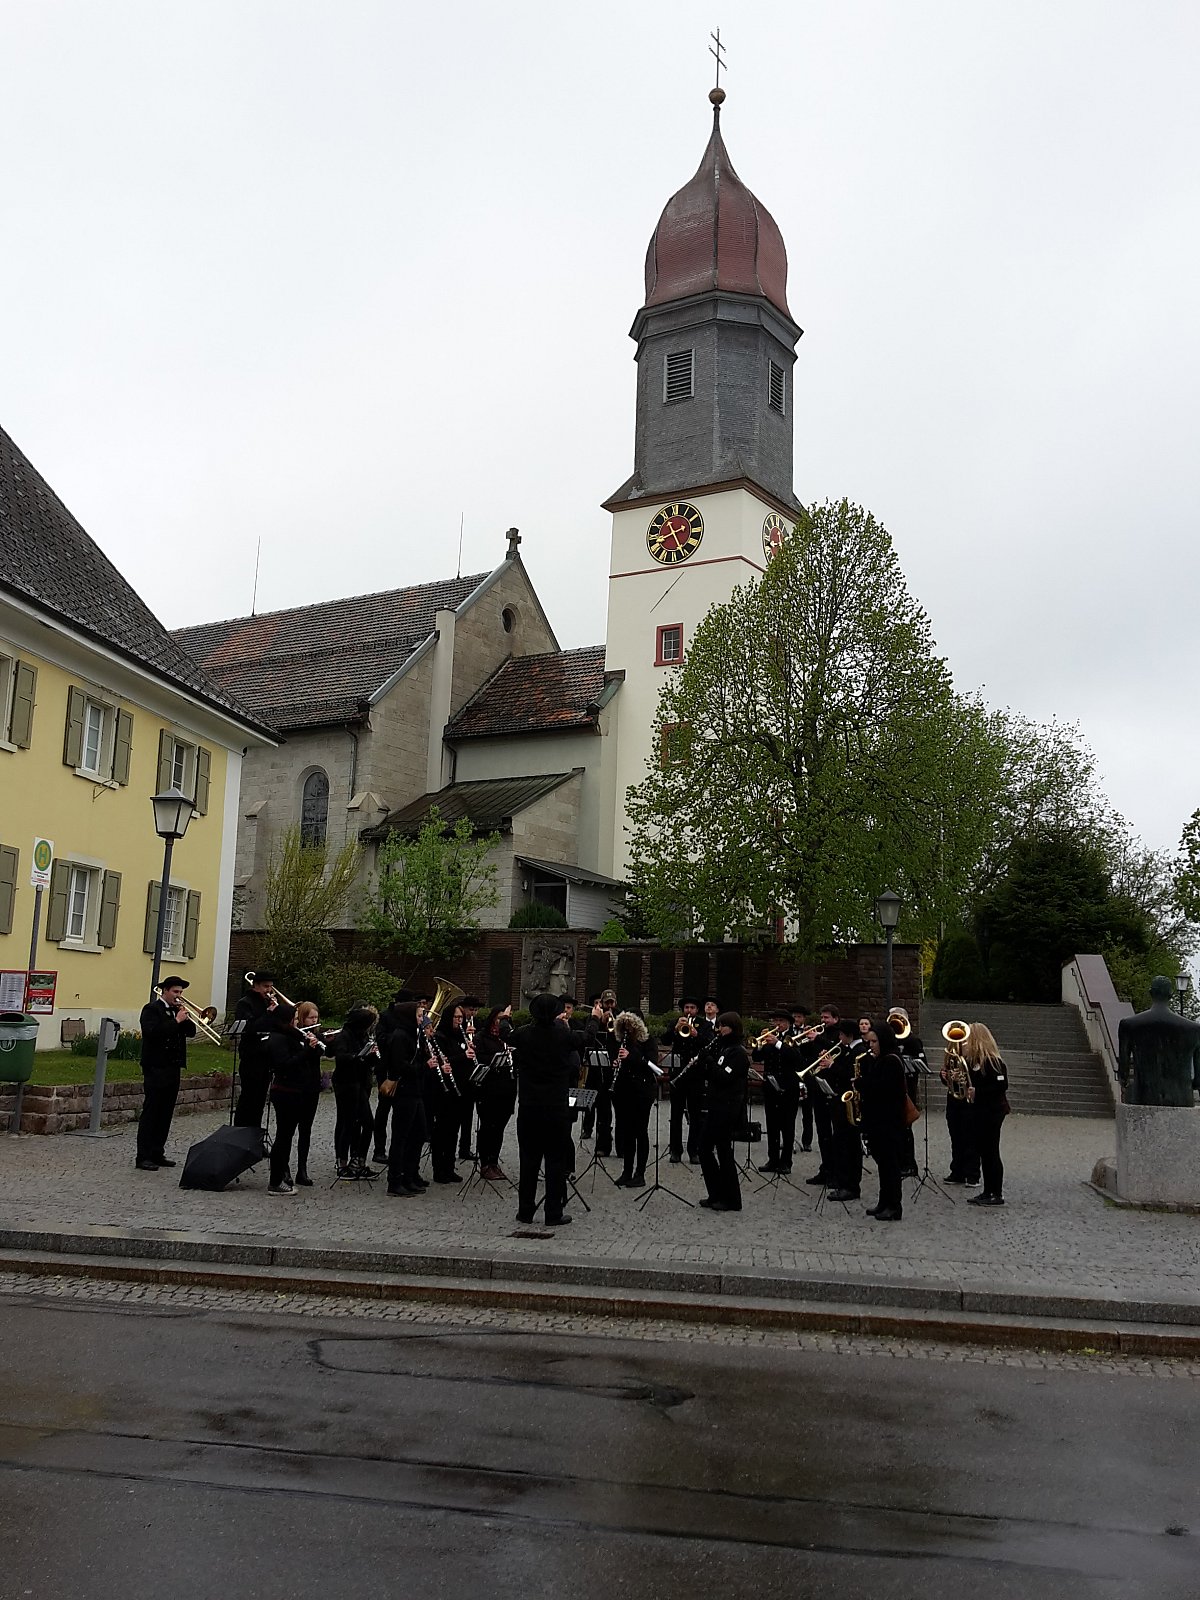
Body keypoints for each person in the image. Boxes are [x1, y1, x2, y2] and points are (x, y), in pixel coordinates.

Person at [512, 992, 590, 1226]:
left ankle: (525, 1211)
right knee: (555, 1162)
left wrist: (505, 1018)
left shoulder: (524, 1034)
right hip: (556, 1108)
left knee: (528, 1161)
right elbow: (586, 1037)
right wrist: (595, 1018)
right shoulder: (563, 1035)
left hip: (529, 1108)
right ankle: (553, 1213)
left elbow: (508, 1034)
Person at [135, 976, 195, 1170]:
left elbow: (191, 1032)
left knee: (166, 1112)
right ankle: (143, 1156)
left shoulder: (177, 1010)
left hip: (173, 1067)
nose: (179, 996)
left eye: (181, 992)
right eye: (175, 992)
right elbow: (152, 1032)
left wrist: (185, 1018)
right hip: (155, 1066)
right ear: (165, 991)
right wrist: (176, 1021)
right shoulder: (151, 1009)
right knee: (152, 1111)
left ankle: (157, 1152)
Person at [265, 1003, 325, 1195]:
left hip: (296, 1091)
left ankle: (283, 1177)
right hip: (285, 1092)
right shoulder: (278, 1039)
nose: (297, 1022)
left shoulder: (290, 1036)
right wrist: (306, 1050)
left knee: (287, 1135)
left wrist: (312, 1046)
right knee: (283, 1137)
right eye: (295, 1019)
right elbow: (285, 1065)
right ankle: (276, 1181)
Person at [697, 1011, 749, 1212]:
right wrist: (702, 1062)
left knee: (724, 1151)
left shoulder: (738, 1053)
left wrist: (710, 1061)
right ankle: (716, 1193)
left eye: (722, 1026)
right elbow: (712, 1075)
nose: (718, 1030)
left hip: (727, 1107)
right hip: (716, 1104)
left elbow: (725, 1078)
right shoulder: (723, 1048)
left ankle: (731, 1199)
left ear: (732, 1028)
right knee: (704, 1147)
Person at [859, 1018, 908, 1221]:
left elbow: (882, 1090)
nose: (871, 1046)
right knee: (883, 1164)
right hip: (879, 1120)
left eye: (874, 1042)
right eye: (869, 1042)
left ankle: (894, 1205)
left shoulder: (891, 1061)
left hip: (889, 1121)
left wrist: (862, 1084)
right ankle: (883, 1201)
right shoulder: (881, 1059)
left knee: (890, 1165)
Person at [233, 970, 291, 1128]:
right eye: (266, 986)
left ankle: (256, 1133)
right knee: (248, 1098)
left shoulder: (268, 1003)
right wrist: (268, 1014)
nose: (269, 990)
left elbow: (279, 1024)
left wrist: (279, 1011)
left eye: (271, 986)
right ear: (256, 986)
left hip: (267, 1056)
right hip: (251, 1056)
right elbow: (250, 1028)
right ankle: (241, 1132)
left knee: (260, 1100)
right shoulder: (245, 1003)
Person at [964, 1022, 1010, 1207]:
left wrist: (978, 1092)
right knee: (984, 1152)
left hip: (992, 1111)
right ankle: (987, 1190)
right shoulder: (973, 1062)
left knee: (991, 1152)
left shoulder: (993, 1062)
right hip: (980, 1110)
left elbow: (1001, 1085)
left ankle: (996, 1192)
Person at [753, 1005, 803, 1174]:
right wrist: (759, 1045)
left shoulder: (794, 1037)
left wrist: (778, 1044)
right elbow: (757, 1057)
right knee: (772, 1124)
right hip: (771, 1087)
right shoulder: (768, 1038)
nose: (777, 1024)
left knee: (787, 1125)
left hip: (789, 1087)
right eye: (775, 1021)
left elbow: (797, 1059)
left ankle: (786, 1161)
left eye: (780, 1021)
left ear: (788, 1023)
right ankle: (772, 1159)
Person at [331, 1004, 379, 1178]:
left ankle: (359, 1160)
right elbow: (340, 1057)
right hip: (346, 1084)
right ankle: (342, 1162)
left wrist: (372, 1056)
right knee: (348, 1123)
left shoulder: (364, 1036)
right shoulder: (344, 1036)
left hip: (360, 1083)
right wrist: (358, 1056)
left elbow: (368, 1061)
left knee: (368, 1123)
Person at [612, 1011, 657, 1188]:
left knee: (640, 1131)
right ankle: (627, 1171)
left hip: (642, 1091)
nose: (626, 1029)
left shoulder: (648, 1041)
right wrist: (617, 1062)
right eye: (623, 1026)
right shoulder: (623, 1041)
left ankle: (640, 1174)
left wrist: (631, 1056)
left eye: (629, 1025)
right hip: (624, 1090)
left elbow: (651, 1064)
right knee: (627, 1132)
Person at [372, 987, 417, 1161]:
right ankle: (379, 1149)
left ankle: (400, 1150)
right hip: (386, 1067)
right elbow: (381, 1039)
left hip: (405, 1071)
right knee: (383, 1109)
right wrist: (398, 1038)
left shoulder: (412, 1020)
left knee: (402, 1113)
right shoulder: (386, 1016)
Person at [825, 1018, 867, 1202]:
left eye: (841, 1034)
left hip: (849, 1104)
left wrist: (832, 1065)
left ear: (849, 1035)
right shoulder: (848, 1050)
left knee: (849, 1146)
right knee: (841, 1143)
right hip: (840, 1102)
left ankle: (850, 1185)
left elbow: (850, 1075)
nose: (839, 1038)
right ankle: (843, 1182)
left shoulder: (859, 1052)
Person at [474, 1006, 517, 1180]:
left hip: (507, 1089)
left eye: (504, 1018)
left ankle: (494, 1161)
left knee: (499, 1128)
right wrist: (497, 1058)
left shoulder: (507, 1037)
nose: (501, 1022)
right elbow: (479, 1058)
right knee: (488, 1127)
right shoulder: (482, 1037)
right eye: (499, 1018)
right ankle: (485, 1163)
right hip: (489, 1089)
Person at [662, 996, 706, 1164]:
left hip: (696, 1073)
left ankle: (694, 1150)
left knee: (695, 1114)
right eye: (686, 1007)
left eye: (692, 1008)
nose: (689, 1010)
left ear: (697, 1010)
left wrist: (696, 1034)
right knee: (676, 1114)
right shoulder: (676, 1022)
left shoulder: (704, 1025)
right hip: (678, 1073)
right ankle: (675, 1150)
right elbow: (665, 1040)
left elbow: (709, 1043)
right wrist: (675, 1029)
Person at [802, 1004, 841, 1187]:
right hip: (818, 1085)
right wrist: (807, 1040)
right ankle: (825, 1169)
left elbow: (837, 1049)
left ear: (835, 1018)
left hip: (833, 1088)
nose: (823, 1021)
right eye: (822, 1017)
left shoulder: (838, 1034)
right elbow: (807, 1055)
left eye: (826, 1018)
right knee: (822, 1131)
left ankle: (835, 1171)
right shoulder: (820, 1034)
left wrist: (818, 1038)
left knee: (834, 1133)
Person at [430, 1005, 468, 1182]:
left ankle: (449, 1166)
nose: (459, 1021)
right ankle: (439, 1169)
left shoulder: (461, 1036)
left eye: (461, 1018)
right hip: (443, 1090)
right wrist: (463, 1056)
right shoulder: (440, 1037)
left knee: (454, 1129)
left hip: (460, 1087)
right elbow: (442, 1060)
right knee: (442, 1130)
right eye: (456, 1017)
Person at [941, 1027, 980, 1186]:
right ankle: (957, 1171)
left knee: (970, 1139)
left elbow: (977, 1080)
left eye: (964, 1041)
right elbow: (947, 1081)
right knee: (955, 1138)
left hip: (969, 1103)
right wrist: (945, 1076)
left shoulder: (976, 1059)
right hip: (954, 1101)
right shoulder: (952, 1057)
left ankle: (972, 1174)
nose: (961, 1044)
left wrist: (962, 1077)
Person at [888, 1007, 925, 1177]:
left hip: (907, 1088)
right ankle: (898, 1161)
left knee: (905, 1128)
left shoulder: (912, 1040)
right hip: (892, 1088)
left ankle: (909, 1163)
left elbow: (922, 1063)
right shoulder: (890, 1041)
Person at [580, 989, 617, 1154]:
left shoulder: (620, 1017)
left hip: (611, 1068)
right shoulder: (593, 1017)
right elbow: (587, 1037)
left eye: (611, 1003)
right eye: (606, 1003)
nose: (609, 1006)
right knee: (591, 1101)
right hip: (595, 1066)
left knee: (605, 1108)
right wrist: (599, 1021)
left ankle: (605, 1143)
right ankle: (587, 1128)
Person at [791, 1004, 816, 1152]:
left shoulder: (810, 1032)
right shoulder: (789, 1033)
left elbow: (813, 1053)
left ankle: (807, 1141)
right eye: (794, 1016)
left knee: (807, 1110)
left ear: (804, 1018)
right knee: (790, 1109)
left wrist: (810, 1039)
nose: (796, 1019)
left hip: (807, 1074)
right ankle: (789, 1139)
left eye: (799, 1017)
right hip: (793, 1073)